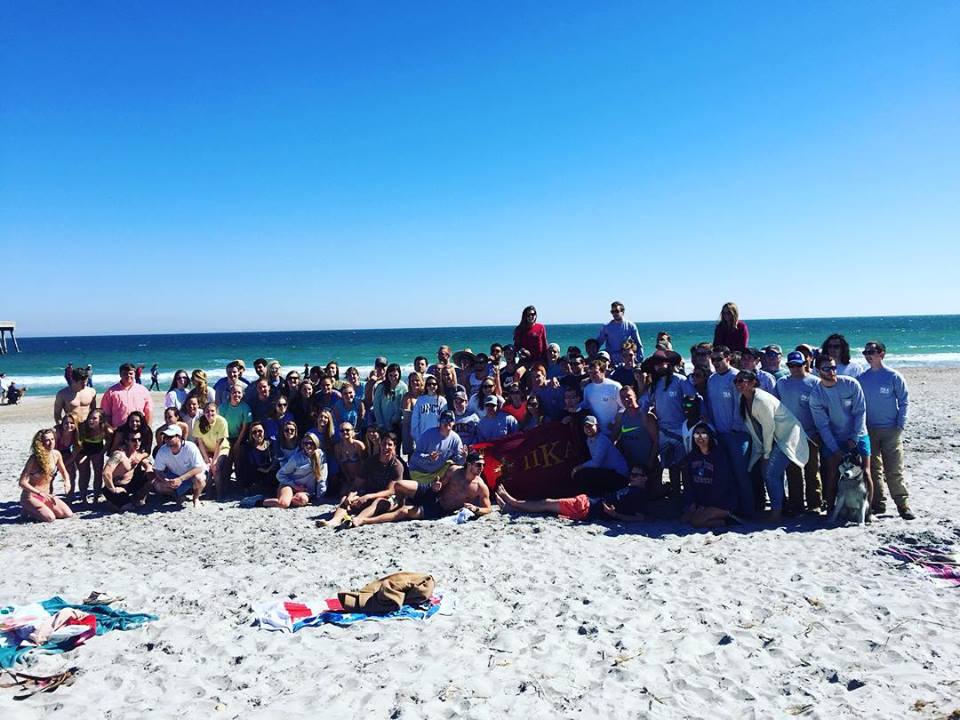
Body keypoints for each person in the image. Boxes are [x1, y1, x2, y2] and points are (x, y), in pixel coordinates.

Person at [735, 371, 809, 523]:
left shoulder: (761, 399)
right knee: (765, 472)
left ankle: (777, 513)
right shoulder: (743, 399)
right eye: (736, 381)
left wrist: (766, 455)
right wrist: (761, 453)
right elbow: (755, 430)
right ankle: (780, 506)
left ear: (753, 382)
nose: (738, 384)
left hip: (788, 437)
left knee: (770, 474)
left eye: (742, 380)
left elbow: (769, 428)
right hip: (775, 439)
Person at [348, 451, 492, 527]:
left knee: (404, 512)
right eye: (478, 464)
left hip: (439, 508)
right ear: (468, 464)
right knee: (400, 485)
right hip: (431, 492)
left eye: (482, 465)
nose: (481, 468)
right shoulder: (454, 470)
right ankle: (395, 501)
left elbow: (488, 508)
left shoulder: (480, 486)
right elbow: (441, 483)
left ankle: (365, 521)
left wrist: (476, 509)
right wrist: (437, 486)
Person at [809, 354, 873, 515]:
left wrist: (854, 438)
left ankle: (867, 511)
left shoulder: (851, 384)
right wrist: (835, 449)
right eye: (826, 368)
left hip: (858, 433)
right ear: (818, 371)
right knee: (832, 473)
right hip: (834, 437)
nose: (831, 371)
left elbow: (860, 413)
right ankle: (830, 509)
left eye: (833, 367)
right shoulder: (816, 394)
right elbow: (822, 425)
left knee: (865, 472)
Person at [858, 341, 914, 519]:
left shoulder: (893, 376)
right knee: (873, 470)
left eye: (872, 352)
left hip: (891, 430)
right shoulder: (862, 378)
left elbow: (904, 401)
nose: (868, 355)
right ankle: (878, 504)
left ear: (882, 354)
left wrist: (900, 424)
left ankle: (902, 505)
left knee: (894, 469)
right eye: (865, 352)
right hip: (869, 430)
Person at [497, 464, 662, 523]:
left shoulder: (639, 495)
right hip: (589, 501)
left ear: (644, 478)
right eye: (631, 474)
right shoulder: (630, 488)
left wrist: (615, 515)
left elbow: (640, 517)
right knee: (549, 505)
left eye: (635, 475)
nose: (631, 477)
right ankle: (513, 507)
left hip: (588, 508)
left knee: (547, 503)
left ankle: (513, 502)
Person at [320, 432, 404, 528]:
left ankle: (357, 520)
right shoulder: (370, 461)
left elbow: (390, 491)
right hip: (370, 493)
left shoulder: (397, 466)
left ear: (394, 447)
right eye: (384, 443)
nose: (386, 447)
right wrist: (351, 496)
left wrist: (368, 496)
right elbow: (357, 484)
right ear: (380, 444)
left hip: (388, 499)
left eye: (390, 445)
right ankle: (334, 521)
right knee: (345, 499)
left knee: (379, 502)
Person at [774, 351, 822, 514]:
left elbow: (821, 408)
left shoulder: (815, 382)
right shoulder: (781, 383)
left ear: (805, 364)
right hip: (790, 435)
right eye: (791, 365)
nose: (794, 368)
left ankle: (814, 503)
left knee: (812, 470)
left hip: (811, 433)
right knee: (793, 472)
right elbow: (775, 406)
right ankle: (796, 504)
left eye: (798, 365)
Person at [707, 346, 753, 516]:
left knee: (741, 474)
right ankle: (732, 509)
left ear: (728, 358)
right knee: (726, 474)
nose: (716, 363)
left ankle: (749, 511)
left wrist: (735, 428)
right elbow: (711, 405)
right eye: (713, 360)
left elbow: (739, 406)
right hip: (719, 434)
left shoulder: (736, 377)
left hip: (737, 435)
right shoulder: (712, 380)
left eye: (719, 359)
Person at [680, 423, 737, 528]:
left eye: (704, 434)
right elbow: (688, 484)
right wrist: (693, 503)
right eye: (697, 434)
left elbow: (721, 485)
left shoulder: (719, 455)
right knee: (685, 519)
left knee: (696, 522)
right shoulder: (691, 457)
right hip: (701, 502)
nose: (700, 437)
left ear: (710, 436)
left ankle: (727, 520)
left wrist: (705, 505)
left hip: (720, 502)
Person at [19, 429, 74, 522]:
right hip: (31, 496)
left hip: (46, 496)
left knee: (68, 514)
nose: (51, 442)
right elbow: (22, 482)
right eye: (47, 440)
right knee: (50, 518)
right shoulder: (34, 459)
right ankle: (27, 508)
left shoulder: (56, 454)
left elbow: (64, 472)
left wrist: (67, 481)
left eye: (52, 439)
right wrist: (39, 493)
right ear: (41, 443)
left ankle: (38, 510)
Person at [263, 432, 327, 508]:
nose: (308, 446)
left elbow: (322, 477)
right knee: (284, 504)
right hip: (290, 485)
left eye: (311, 443)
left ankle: (286, 498)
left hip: (305, 491)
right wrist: (294, 485)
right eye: (305, 443)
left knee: (302, 500)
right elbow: (280, 474)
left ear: (316, 443)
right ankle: (259, 501)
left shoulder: (321, 455)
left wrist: (320, 496)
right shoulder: (296, 458)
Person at [571, 416, 630, 495]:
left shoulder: (602, 440)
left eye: (591, 426)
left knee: (583, 474)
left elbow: (596, 463)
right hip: (608, 472)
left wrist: (578, 467)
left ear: (597, 426)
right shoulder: (589, 440)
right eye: (586, 426)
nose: (588, 428)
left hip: (620, 475)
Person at [152, 426, 206, 507]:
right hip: (175, 476)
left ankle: (196, 498)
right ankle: (177, 496)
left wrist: (181, 479)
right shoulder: (163, 450)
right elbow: (158, 470)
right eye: (165, 437)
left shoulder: (190, 447)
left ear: (179, 437)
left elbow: (199, 468)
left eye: (170, 437)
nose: (167, 439)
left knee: (199, 479)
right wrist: (165, 480)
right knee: (157, 485)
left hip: (192, 476)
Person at [409, 411, 465, 485]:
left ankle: (441, 490)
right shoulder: (428, 434)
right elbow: (415, 457)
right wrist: (428, 458)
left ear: (454, 422)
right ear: (439, 421)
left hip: (437, 472)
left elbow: (459, 462)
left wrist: (464, 457)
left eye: (450, 420)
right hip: (419, 472)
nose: (447, 423)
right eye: (444, 420)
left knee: (454, 468)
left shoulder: (455, 438)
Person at [102, 431, 152, 512]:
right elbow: (106, 473)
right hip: (116, 486)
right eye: (133, 440)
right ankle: (113, 502)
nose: (137, 442)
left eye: (139, 439)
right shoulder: (119, 455)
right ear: (126, 441)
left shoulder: (137, 454)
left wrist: (148, 469)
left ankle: (137, 499)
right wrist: (113, 489)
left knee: (151, 476)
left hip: (129, 485)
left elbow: (148, 464)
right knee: (128, 508)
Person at [614, 386, 658, 473]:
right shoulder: (621, 417)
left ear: (635, 396)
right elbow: (613, 437)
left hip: (647, 465)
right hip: (630, 465)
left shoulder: (646, 416)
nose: (626, 399)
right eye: (623, 397)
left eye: (629, 396)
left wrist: (651, 462)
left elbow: (656, 441)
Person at [193, 402, 231, 500]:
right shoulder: (199, 422)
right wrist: (206, 459)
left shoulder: (222, 421)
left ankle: (219, 494)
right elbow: (200, 442)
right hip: (207, 449)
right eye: (207, 411)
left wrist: (214, 460)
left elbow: (220, 442)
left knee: (215, 467)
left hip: (222, 448)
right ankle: (208, 493)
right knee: (208, 468)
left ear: (216, 412)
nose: (210, 413)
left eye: (212, 411)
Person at [100, 363, 153, 429]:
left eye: (131, 373)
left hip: (139, 430)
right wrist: (110, 430)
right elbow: (106, 414)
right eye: (125, 373)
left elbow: (149, 412)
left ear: (134, 374)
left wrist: (148, 429)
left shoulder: (143, 390)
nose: (128, 376)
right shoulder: (111, 392)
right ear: (120, 374)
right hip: (118, 430)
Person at [220, 384, 252, 484]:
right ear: (230, 394)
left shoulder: (245, 407)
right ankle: (225, 483)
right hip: (226, 437)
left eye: (239, 393)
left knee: (238, 456)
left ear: (242, 394)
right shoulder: (223, 407)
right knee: (227, 458)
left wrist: (237, 443)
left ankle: (240, 483)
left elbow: (244, 427)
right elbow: (220, 425)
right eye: (234, 392)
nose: (236, 395)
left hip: (240, 437)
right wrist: (226, 442)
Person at [76, 408, 109, 504]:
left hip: (97, 449)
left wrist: (103, 452)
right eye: (89, 418)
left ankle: (95, 498)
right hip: (83, 449)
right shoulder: (83, 426)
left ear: (100, 420)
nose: (91, 420)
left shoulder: (104, 428)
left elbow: (109, 439)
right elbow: (77, 441)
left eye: (94, 418)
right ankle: (83, 499)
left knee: (98, 474)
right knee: (84, 474)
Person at [582, 358, 623, 436]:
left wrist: (614, 422)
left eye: (595, 372)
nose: (592, 375)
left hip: (614, 431)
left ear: (603, 372)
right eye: (590, 373)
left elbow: (623, 407)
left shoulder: (615, 386)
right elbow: (585, 405)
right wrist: (574, 408)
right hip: (596, 432)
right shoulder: (587, 389)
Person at [411, 374, 448, 448]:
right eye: (429, 384)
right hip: (423, 437)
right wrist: (417, 438)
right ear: (426, 386)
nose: (431, 386)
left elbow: (445, 421)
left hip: (438, 438)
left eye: (434, 384)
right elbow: (415, 420)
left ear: (437, 386)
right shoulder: (421, 400)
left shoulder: (442, 400)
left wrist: (443, 437)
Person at [243, 421, 279, 492]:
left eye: (260, 431)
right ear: (251, 434)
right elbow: (251, 466)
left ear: (264, 431)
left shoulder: (272, 443)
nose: (257, 434)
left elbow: (276, 459)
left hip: (271, 472)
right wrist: (265, 470)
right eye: (254, 432)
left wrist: (268, 469)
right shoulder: (248, 448)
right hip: (257, 474)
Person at [373, 363, 406, 438]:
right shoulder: (381, 387)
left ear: (399, 375)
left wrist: (397, 419)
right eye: (390, 375)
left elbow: (403, 406)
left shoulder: (403, 387)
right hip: (383, 423)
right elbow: (376, 406)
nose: (393, 378)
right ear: (387, 375)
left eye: (395, 375)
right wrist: (380, 423)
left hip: (397, 424)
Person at [334, 421, 366, 495]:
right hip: (348, 478)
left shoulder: (358, 445)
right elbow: (341, 464)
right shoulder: (337, 447)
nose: (345, 432)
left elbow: (364, 463)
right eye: (342, 430)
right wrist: (348, 478)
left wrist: (359, 479)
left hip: (360, 478)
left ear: (352, 432)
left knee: (355, 494)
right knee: (343, 493)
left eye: (347, 430)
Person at [54, 413, 79, 496]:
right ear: (62, 424)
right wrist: (57, 465)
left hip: (66, 452)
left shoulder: (76, 435)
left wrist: (65, 464)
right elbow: (51, 450)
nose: (69, 425)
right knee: (50, 475)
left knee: (71, 474)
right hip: (53, 453)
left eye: (72, 423)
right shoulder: (56, 432)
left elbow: (75, 453)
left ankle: (70, 497)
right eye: (66, 423)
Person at [401, 372, 424, 457]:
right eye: (412, 381)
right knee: (412, 457)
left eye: (417, 380)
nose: (414, 382)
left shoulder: (425, 395)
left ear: (421, 381)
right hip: (410, 429)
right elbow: (407, 416)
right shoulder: (407, 396)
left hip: (424, 429)